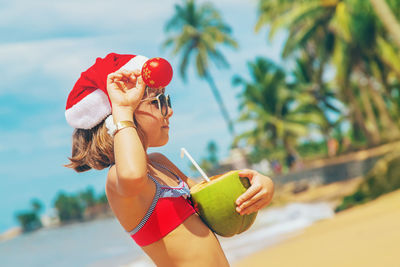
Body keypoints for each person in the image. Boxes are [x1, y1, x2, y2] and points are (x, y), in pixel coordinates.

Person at [64, 53, 274, 266]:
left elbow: (215, 201)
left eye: (167, 100)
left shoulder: (161, 163)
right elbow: (133, 174)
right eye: (159, 102)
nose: (170, 111)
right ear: (115, 116)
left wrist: (257, 185)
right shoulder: (118, 179)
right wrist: (124, 109)